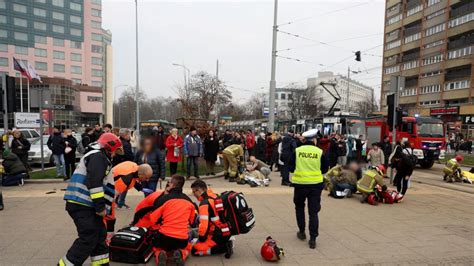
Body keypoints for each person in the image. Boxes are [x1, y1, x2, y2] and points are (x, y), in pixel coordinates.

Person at [59, 133, 122, 266]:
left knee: (99, 238)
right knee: (88, 239)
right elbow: (94, 183)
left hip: (85, 205)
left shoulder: (97, 155)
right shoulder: (98, 157)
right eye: (115, 151)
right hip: (83, 205)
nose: (115, 155)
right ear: (109, 147)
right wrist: (100, 207)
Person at [288, 129, 329, 249]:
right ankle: (313, 239)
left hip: (300, 185)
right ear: (315, 140)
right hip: (316, 185)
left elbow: (290, 167)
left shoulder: (297, 151)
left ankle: (301, 232)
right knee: (313, 212)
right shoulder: (320, 152)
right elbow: (325, 169)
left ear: (304, 139)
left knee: (299, 208)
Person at [148, 175, 197, 266]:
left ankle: (160, 254)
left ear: (173, 185)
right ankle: (181, 253)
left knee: (157, 247)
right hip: (181, 239)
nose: (168, 184)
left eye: (169, 182)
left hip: (164, 238)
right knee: (187, 246)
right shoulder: (189, 201)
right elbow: (192, 221)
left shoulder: (163, 200)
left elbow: (152, 219)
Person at [105, 161, 153, 236]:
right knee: (109, 217)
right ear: (140, 174)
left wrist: (140, 188)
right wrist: (107, 210)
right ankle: (107, 237)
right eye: (146, 178)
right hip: (106, 193)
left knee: (110, 217)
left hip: (109, 184)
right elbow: (111, 196)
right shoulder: (126, 179)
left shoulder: (134, 166)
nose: (147, 180)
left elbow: (134, 179)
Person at [191, 180, 233, 258]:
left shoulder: (204, 203)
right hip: (225, 230)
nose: (193, 194)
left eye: (194, 192)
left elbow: (204, 226)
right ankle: (225, 242)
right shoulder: (214, 195)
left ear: (199, 190)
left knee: (195, 250)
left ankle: (224, 248)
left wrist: (201, 239)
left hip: (217, 235)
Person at [114, 128, 135, 209]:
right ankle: (120, 202)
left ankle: (116, 201)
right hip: (125, 167)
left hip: (117, 166)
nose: (130, 136)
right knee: (125, 185)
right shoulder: (126, 144)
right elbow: (129, 155)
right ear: (125, 135)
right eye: (129, 134)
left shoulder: (117, 141)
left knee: (117, 184)